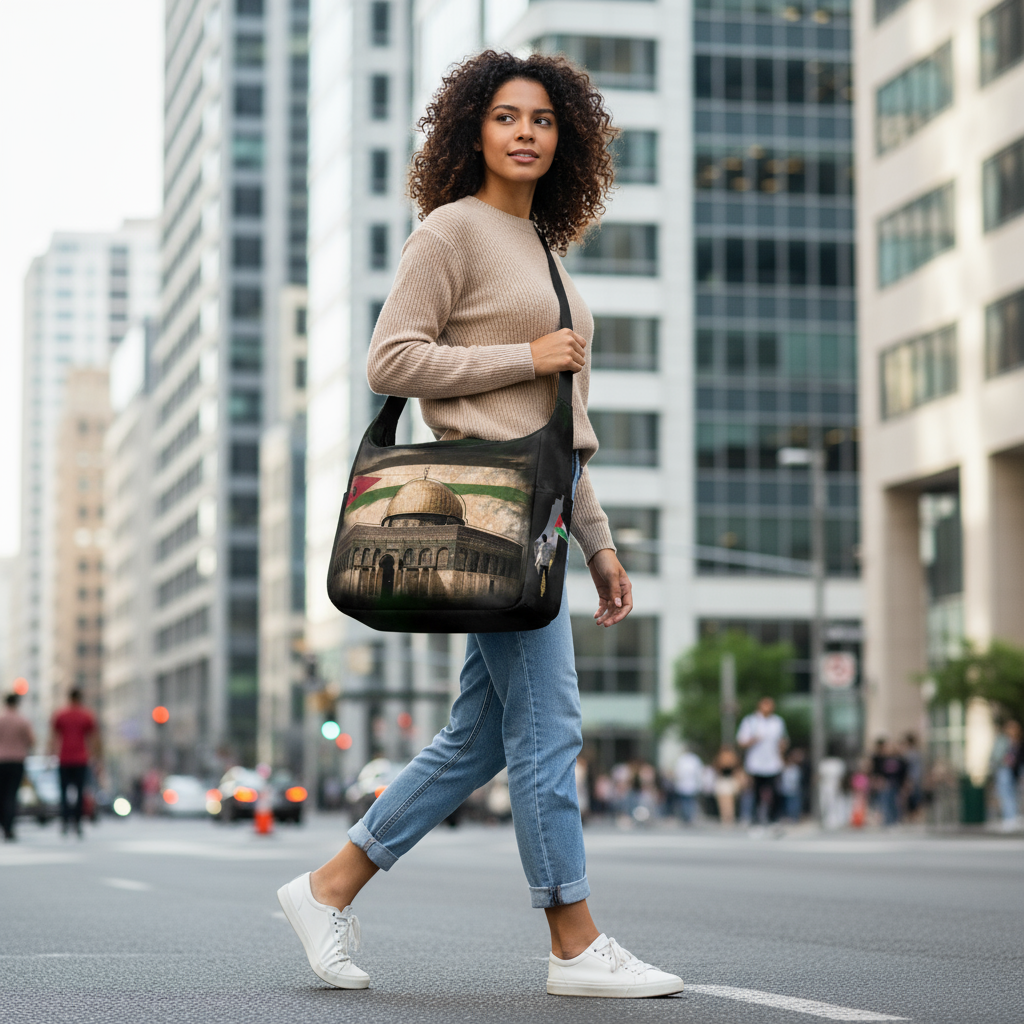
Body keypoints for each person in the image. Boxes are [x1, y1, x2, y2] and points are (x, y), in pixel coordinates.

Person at [275, 51, 683, 999]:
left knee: (481, 738)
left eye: (543, 119)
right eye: (506, 116)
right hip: (483, 518)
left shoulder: (545, 251)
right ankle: (574, 942)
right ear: (474, 130)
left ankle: (327, 888)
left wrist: (600, 543)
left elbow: (559, 428)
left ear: (565, 139)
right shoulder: (450, 231)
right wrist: (523, 354)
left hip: (539, 519)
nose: (526, 132)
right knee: (549, 728)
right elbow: (391, 360)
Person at [49, 688, 98, 837]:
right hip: (81, 759)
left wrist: (50, 754)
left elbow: (53, 736)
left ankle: (65, 822)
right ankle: (77, 824)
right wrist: (96, 757)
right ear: (80, 698)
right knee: (80, 792)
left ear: (69, 698)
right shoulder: (87, 715)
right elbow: (94, 738)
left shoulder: (60, 714)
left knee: (64, 793)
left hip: (64, 758)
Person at [736, 696, 788, 825]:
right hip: (755, 763)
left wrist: (782, 749)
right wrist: (753, 740)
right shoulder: (750, 721)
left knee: (775, 791)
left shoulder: (777, 722)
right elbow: (741, 742)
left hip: (773, 763)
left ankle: (773, 818)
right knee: (755, 792)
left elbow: (783, 740)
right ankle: (754, 818)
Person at [0, 693, 35, 841]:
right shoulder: (22, 721)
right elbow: (31, 741)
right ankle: (9, 827)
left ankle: (4, 824)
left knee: (1, 794)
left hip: (1, 761)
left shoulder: (1, 720)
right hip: (17, 761)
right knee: (12, 794)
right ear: (17, 703)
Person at [990, 720, 1022, 829]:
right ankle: (1009, 817)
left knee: (1012, 794)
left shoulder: (1016, 741)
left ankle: (1012, 817)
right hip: (1004, 769)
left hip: (1014, 771)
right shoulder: (1003, 740)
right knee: (1006, 794)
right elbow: (997, 756)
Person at [871, 738, 906, 826]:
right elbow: (879, 771)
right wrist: (878, 780)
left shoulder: (900, 760)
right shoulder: (883, 759)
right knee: (885, 802)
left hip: (896, 784)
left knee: (895, 803)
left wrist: (904, 785)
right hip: (885, 784)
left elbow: (903, 774)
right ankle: (887, 820)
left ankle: (895, 821)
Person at [712, 746, 743, 825]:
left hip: (727, 780)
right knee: (726, 801)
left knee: (727, 801)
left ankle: (727, 817)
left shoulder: (726, 757)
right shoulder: (730, 757)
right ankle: (728, 817)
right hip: (725, 780)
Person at [673, 747, 703, 824]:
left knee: (687, 802)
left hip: (688, 784)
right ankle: (688, 817)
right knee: (688, 802)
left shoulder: (683, 759)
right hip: (687, 785)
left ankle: (688, 817)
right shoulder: (694, 759)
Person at [779, 749, 804, 822]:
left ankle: (795, 817)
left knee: (795, 804)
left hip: (794, 789)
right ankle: (789, 817)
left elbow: (797, 779)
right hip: (786, 789)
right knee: (787, 804)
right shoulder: (785, 768)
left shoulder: (795, 768)